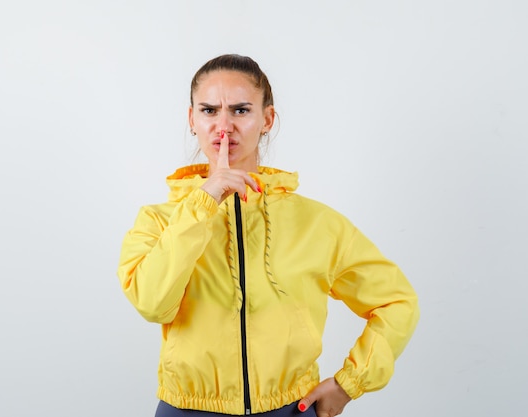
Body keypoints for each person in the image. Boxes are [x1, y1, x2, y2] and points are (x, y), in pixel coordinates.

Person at [117, 54, 419, 417]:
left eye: (241, 110)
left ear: (267, 119)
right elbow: (154, 303)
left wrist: (349, 383)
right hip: (188, 410)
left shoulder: (317, 223)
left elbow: (396, 301)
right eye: (209, 111)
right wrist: (204, 202)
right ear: (191, 119)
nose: (223, 126)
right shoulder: (158, 221)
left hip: (291, 409)